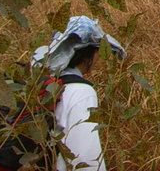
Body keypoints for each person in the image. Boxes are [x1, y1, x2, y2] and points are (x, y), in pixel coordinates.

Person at [32, 16, 126, 171]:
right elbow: (85, 155)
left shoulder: (42, 84)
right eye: (97, 51)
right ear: (88, 53)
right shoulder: (82, 91)